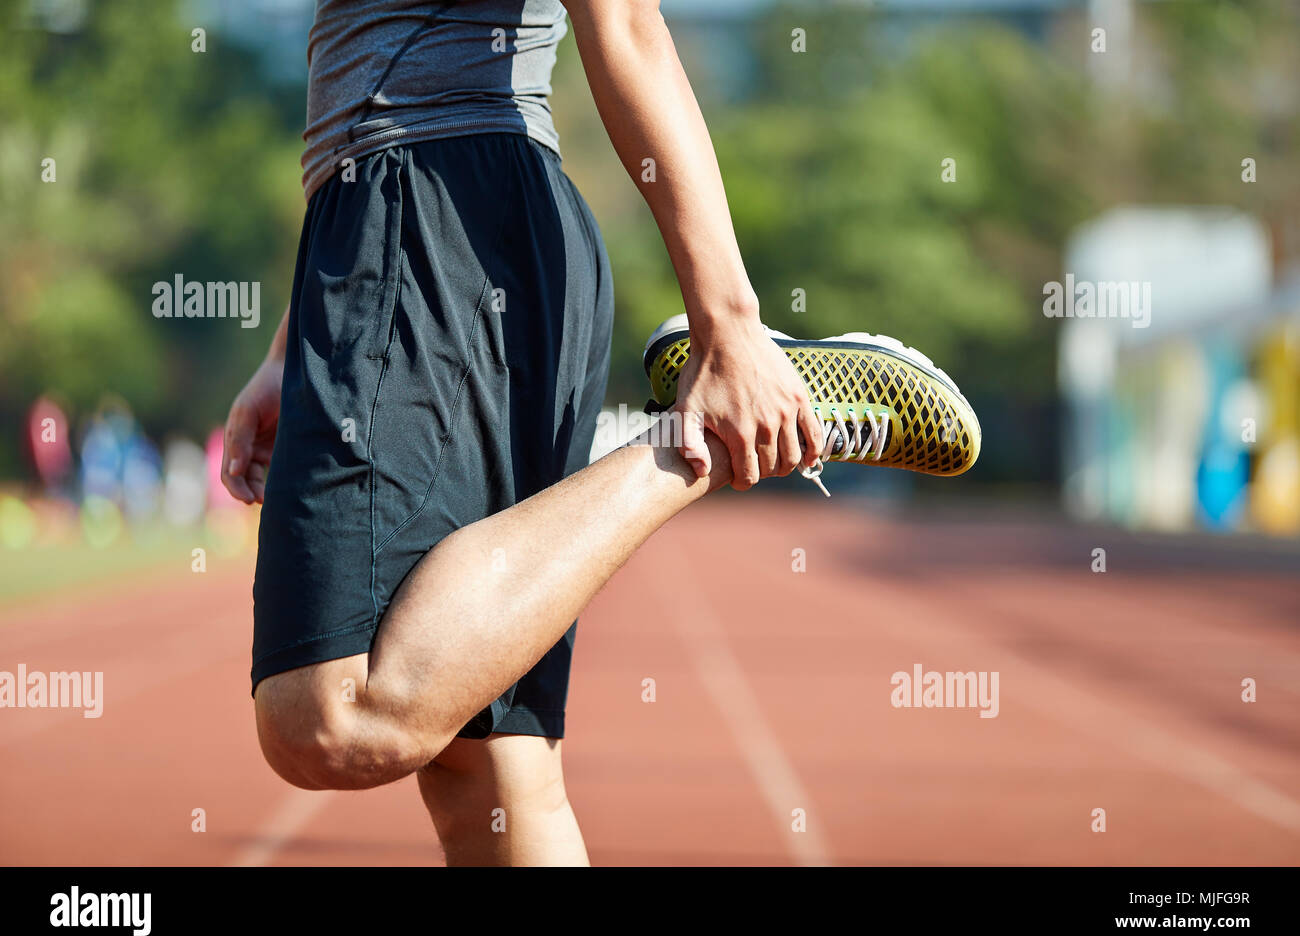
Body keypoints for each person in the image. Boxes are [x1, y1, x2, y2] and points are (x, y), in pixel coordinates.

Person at [221, 0, 977, 866]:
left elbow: (625, 26)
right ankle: (713, 424)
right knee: (497, 777)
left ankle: (707, 439)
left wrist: (729, 325)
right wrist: (302, 334)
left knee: (327, 716)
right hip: (430, 233)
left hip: (436, 225)